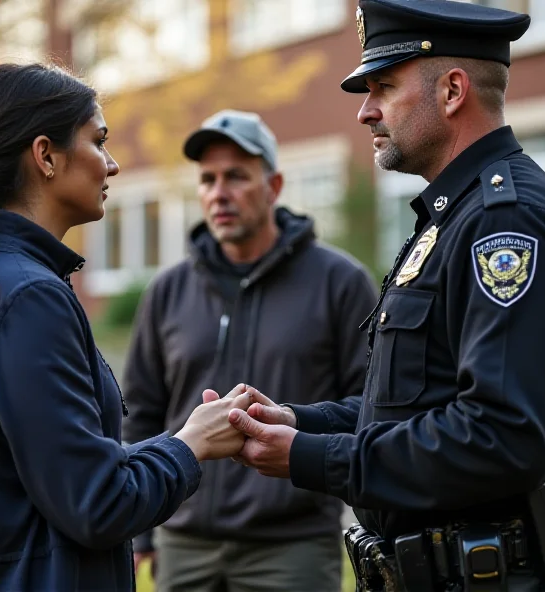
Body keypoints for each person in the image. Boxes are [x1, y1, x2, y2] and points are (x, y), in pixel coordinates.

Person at [227, 1, 545, 590]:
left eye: (383, 85)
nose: (365, 112)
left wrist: (314, 457)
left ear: (453, 90)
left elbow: (502, 438)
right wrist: (297, 423)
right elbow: (418, 405)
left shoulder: (505, 224)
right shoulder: (453, 217)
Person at [0, 63, 253, 592]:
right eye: (99, 141)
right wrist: (190, 444)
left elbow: (43, 477)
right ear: (45, 155)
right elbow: (97, 504)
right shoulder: (27, 297)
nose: (112, 165)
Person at [122, 109, 377, 591]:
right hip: (184, 545)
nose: (219, 192)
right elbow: (141, 412)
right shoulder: (168, 291)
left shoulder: (341, 284)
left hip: (292, 547)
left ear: (274, 185)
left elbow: (373, 406)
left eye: (237, 176)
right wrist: (140, 531)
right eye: (208, 179)